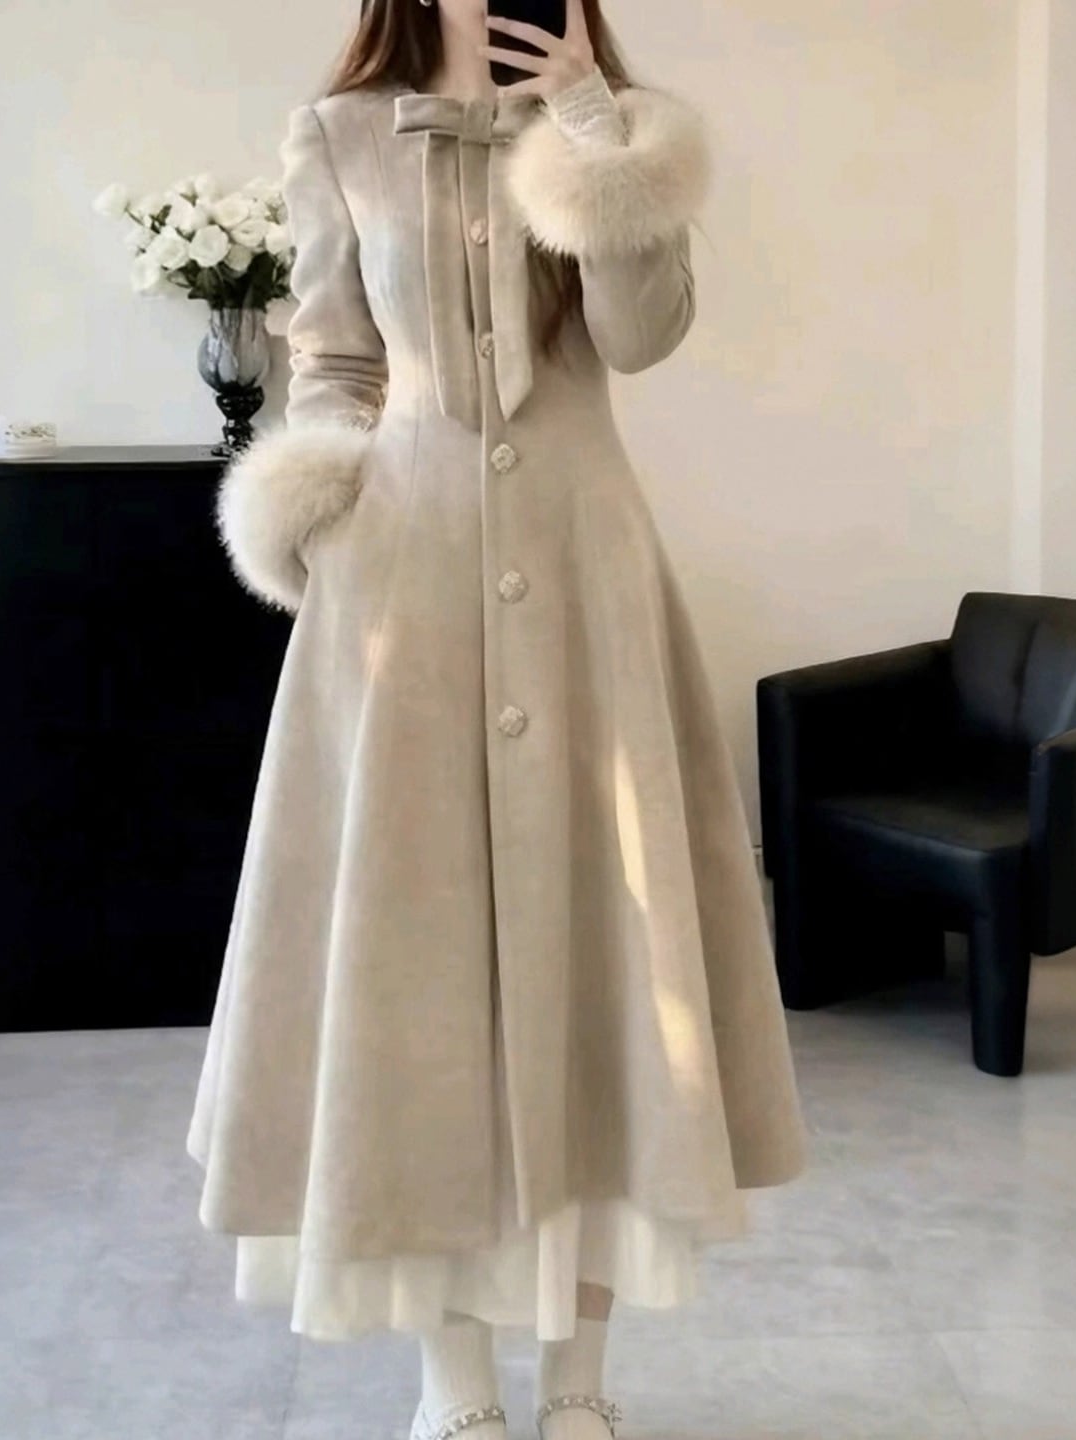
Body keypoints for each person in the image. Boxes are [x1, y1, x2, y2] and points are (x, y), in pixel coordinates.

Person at [187, 2, 808, 1438]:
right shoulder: (340, 133)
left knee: (606, 962)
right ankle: (454, 1389)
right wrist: (316, 509)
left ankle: (580, 1384)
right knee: (415, 979)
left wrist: (594, 134)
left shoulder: (614, 125)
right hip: (403, 588)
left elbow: (642, 338)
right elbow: (334, 361)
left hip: (586, 578)